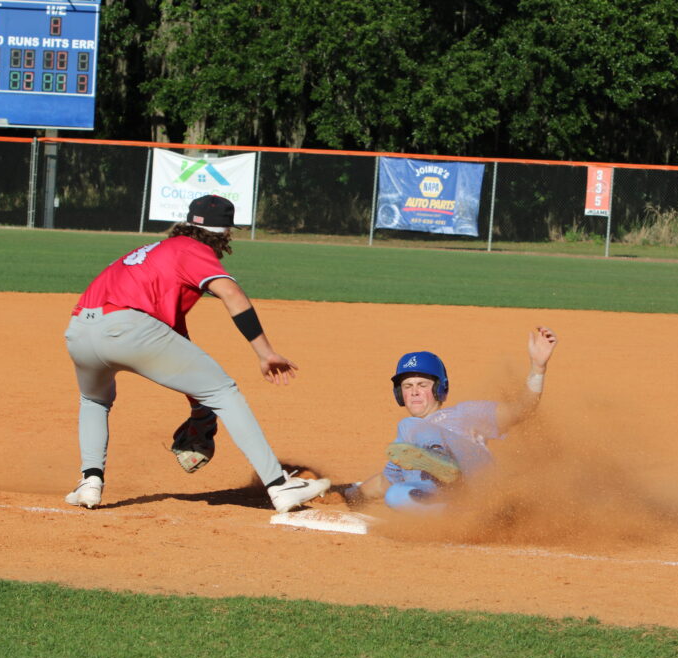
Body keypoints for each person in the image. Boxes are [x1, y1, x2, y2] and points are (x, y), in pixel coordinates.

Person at [63, 194, 330, 513]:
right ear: (225, 233)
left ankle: (90, 481)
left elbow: (174, 344)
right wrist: (265, 352)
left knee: (94, 400)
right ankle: (279, 485)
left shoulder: (152, 252)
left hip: (79, 330)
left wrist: (198, 408)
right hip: (128, 325)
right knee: (224, 391)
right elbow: (232, 294)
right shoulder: (194, 250)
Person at [345, 327, 558, 512]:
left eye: (422, 385)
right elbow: (382, 483)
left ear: (440, 389)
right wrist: (344, 493)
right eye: (408, 387)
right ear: (400, 395)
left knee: (409, 425)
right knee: (396, 496)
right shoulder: (406, 451)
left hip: (477, 477)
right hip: (461, 503)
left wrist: (538, 368)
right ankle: (469, 515)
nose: (414, 392)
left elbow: (520, 410)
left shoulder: (465, 413)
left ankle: (441, 458)